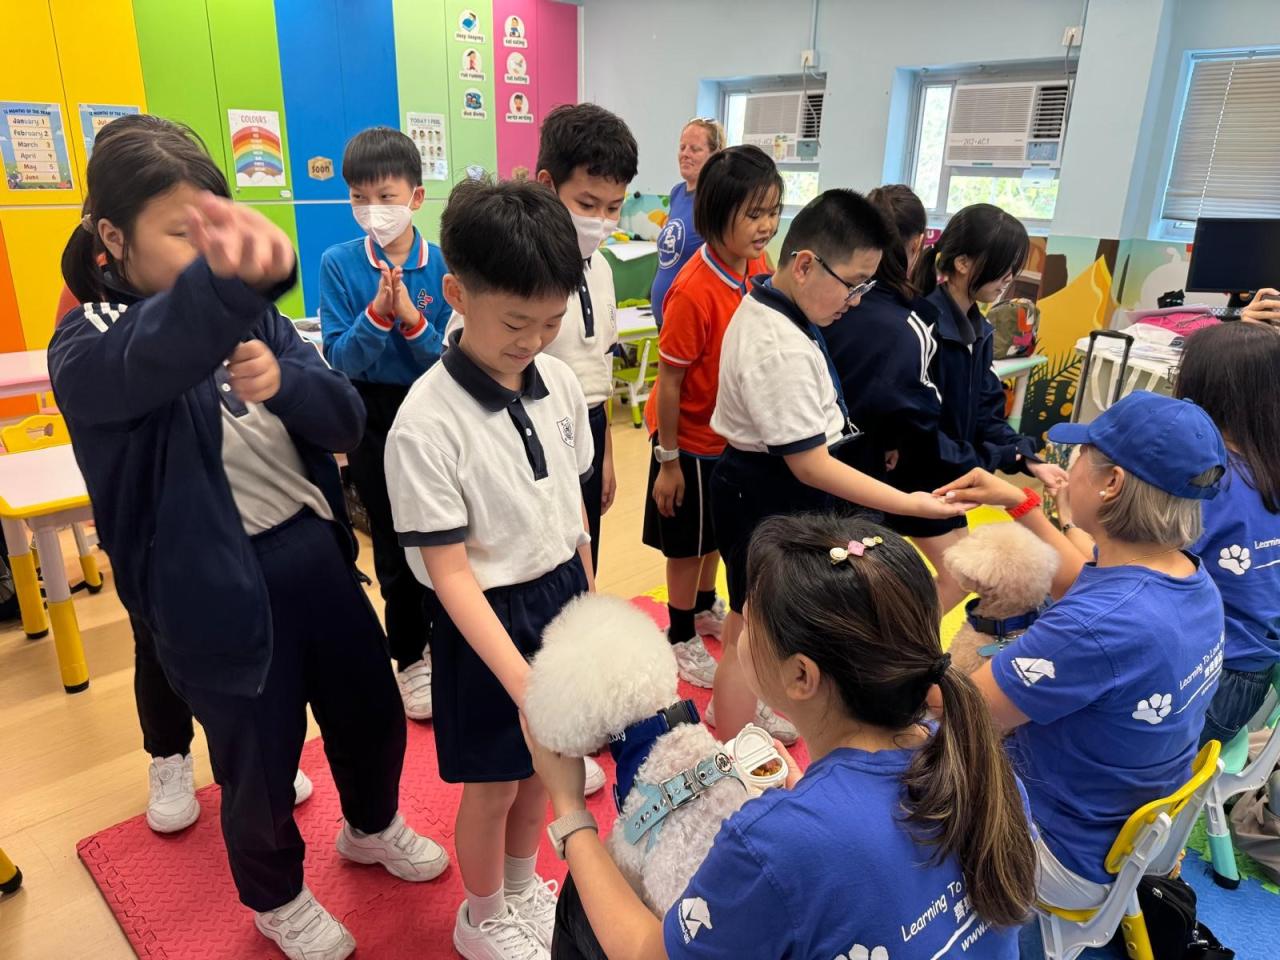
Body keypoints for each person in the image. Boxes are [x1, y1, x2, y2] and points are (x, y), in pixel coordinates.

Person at [49, 115, 447, 960]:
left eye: (214, 229)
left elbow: (343, 419)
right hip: (212, 586)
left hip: (312, 551)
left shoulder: (250, 318)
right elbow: (152, 355)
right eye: (181, 233)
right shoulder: (90, 339)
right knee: (258, 762)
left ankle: (371, 826)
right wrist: (231, 287)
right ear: (112, 238)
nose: (205, 252)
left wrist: (284, 385)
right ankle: (276, 895)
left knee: (370, 713)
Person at [529, 513, 1036, 960]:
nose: (736, 632)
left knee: (586, 894)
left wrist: (569, 809)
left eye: (748, 622)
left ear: (800, 675)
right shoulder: (974, 756)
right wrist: (808, 793)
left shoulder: (772, 842)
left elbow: (646, 953)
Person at [385, 179, 595, 960]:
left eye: (551, 321)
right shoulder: (425, 422)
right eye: (514, 322)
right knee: (495, 784)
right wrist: (520, 680)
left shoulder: (559, 382)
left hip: (559, 596)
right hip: (484, 619)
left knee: (547, 772)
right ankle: (480, 916)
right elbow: (449, 574)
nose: (533, 339)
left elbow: (572, 514)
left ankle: (519, 885)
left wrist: (590, 610)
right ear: (457, 295)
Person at [936, 391, 1227, 906]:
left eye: (1082, 454)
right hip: (1133, 833)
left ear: (1112, 483)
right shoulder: (1190, 580)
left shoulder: (1093, 628)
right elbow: (1083, 583)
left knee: (906, 754)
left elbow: (957, 708)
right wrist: (1019, 501)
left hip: (1062, 849)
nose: (1070, 466)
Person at [708, 189, 971, 740]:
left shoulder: (781, 306)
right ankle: (730, 751)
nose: (855, 300)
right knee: (748, 628)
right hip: (764, 490)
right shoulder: (777, 345)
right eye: (853, 284)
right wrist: (908, 502)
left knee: (758, 624)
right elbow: (810, 466)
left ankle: (749, 709)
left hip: (769, 482)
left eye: (866, 286)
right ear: (805, 264)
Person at [319, 126, 450, 722]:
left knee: (445, 530)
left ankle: (448, 638)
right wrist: (377, 314)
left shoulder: (441, 263)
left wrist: (412, 322)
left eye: (386, 196)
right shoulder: (340, 264)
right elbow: (343, 359)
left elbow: (449, 355)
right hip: (371, 415)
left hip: (436, 407)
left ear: (416, 197)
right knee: (394, 540)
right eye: (360, 197)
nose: (374, 209)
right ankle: (411, 656)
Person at [641, 145, 780, 696]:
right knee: (686, 544)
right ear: (717, 215)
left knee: (717, 536)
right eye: (754, 214)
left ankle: (702, 607)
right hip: (688, 439)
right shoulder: (694, 290)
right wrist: (669, 461)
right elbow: (670, 383)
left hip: (731, 437)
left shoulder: (759, 267)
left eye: (773, 211)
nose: (767, 225)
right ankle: (679, 633)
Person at [907, 204, 1069, 614]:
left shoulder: (979, 330)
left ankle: (899, 645)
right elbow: (917, 429)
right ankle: (896, 647)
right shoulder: (923, 325)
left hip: (950, 476)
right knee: (959, 576)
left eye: (1014, 268)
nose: (1009, 278)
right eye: (1003, 267)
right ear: (962, 263)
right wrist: (984, 463)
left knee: (959, 577)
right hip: (916, 478)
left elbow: (987, 414)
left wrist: (1028, 460)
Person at [534, 104, 636, 575]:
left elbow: (602, 369)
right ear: (547, 185)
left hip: (590, 426)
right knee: (546, 560)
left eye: (613, 207)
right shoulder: (523, 270)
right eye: (587, 205)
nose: (601, 220)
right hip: (537, 427)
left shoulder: (603, 269)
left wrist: (606, 452)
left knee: (586, 553)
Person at [1174, 323, 1280, 745]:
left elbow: (1130, 575)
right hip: (1249, 682)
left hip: (1201, 677)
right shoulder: (1265, 467)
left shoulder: (1209, 485)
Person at [820, 184, 941, 482]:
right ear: (918, 243)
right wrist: (893, 438)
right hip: (858, 467)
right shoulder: (909, 325)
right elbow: (919, 410)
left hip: (808, 453)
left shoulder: (825, 296)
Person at [649, 119, 725, 328]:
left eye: (695, 149)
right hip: (663, 315)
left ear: (715, 155)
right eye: (682, 147)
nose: (685, 154)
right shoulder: (677, 193)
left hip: (690, 318)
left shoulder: (716, 199)